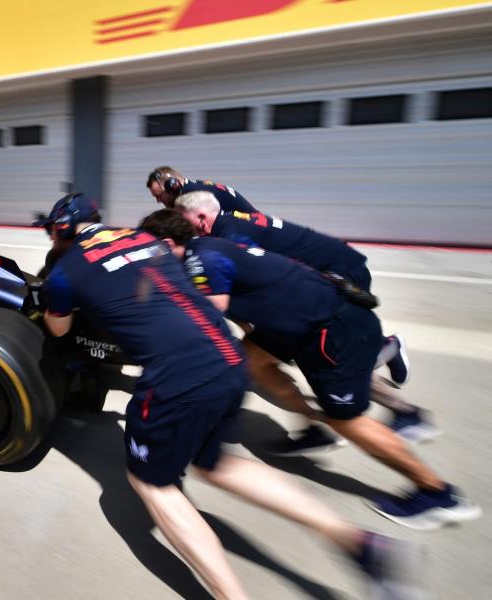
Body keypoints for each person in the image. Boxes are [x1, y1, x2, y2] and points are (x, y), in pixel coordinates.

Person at [39, 193, 424, 598]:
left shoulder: (67, 270)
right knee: (218, 466)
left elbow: (60, 330)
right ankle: (359, 543)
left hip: (175, 376)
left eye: (51, 232)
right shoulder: (147, 240)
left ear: (62, 231)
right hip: (226, 357)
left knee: (153, 484)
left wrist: (61, 304)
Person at [139, 207, 481, 531]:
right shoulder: (207, 248)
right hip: (305, 324)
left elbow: (209, 316)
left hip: (331, 333)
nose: (147, 257)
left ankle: (438, 493)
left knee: (349, 421)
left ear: (168, 244)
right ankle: (315, 428)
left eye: (148, 249)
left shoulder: (202, 257)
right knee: (251, 360)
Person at [174, 191, 426, 452]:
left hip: (334, 278)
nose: (184, 230)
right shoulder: (228, 225)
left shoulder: (226, 238)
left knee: (339, 360)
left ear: (202, 217)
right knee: (260, 359)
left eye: (184, 221)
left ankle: (398, 391)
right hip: (316, 286)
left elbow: (249, 287)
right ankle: (316, 424)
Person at [146, 166, 257, 213]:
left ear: (172, 185)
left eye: (159, 195)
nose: (158, 201)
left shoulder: (192, 197)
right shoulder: (192, 186)